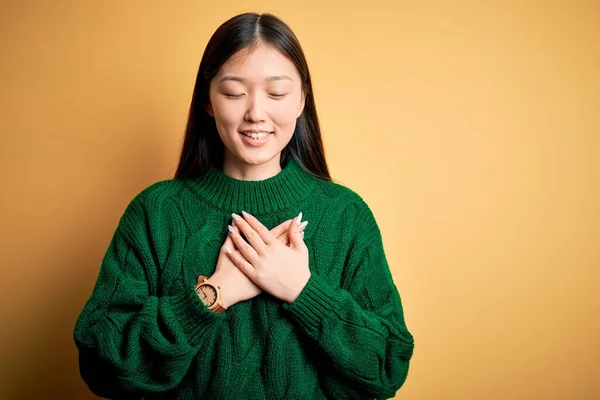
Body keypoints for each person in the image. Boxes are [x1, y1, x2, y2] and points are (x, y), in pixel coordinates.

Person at [73, 12, 414, 400]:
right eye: (234, 93)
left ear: (302, 98)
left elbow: (387, 367)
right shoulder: (156, 214)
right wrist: (214, 294)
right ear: (208, 100)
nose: (256, 113)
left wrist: (303, 290)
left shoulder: (346, 216)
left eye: (277, 93)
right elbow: (100, 366)